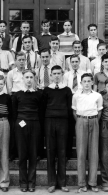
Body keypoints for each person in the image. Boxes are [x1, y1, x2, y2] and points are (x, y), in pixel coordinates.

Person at [43, 65, 72, 193]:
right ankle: (51, 183)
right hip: (49, 121)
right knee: (50, 151)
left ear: (62, 74)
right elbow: (43, 108)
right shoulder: (46, 90)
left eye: (58, 73)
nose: (56, 76)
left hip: (63, 122)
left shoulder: (67, 90)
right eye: (54, 73)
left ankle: (62, 182)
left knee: (62, 152)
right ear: (51, 75)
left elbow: (70, 108)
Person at [72, 73, 103, 192]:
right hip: (80, 120)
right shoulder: (76, 96)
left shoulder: (97, 96)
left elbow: (99, 112)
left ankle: (92, 182)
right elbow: (74, 111)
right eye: (84, 81)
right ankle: (82, 183)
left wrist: (93, 120)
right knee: (81, 153)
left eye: (88, 81)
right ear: (81, 83)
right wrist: (81, 121)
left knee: (93, 152)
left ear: (92, 83)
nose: (86, 83)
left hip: (94, 120)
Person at [12, 70, 42, 192]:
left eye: (31, 77)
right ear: (22, 79)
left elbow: (41, 111)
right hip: (21, 124)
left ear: (34, 79)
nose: (29, 79)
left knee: (33, 155)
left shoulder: (39, 94)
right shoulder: (17, 95)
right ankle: (23, 183)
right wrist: (19, 123)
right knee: (23, 155)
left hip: (35, 124)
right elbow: (14, 113)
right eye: (26, 77)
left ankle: (31, 182)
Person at [6, 51, 27, 161]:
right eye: (19, 60)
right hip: (15, 99)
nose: (22, 62)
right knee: (15, 126)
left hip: (27, 99)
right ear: (15, 61)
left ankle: (24, 152)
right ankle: (13, 152)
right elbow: (9, 89)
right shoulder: (11, 73)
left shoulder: (29, 72)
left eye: (23, 60)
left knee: (25, 125)